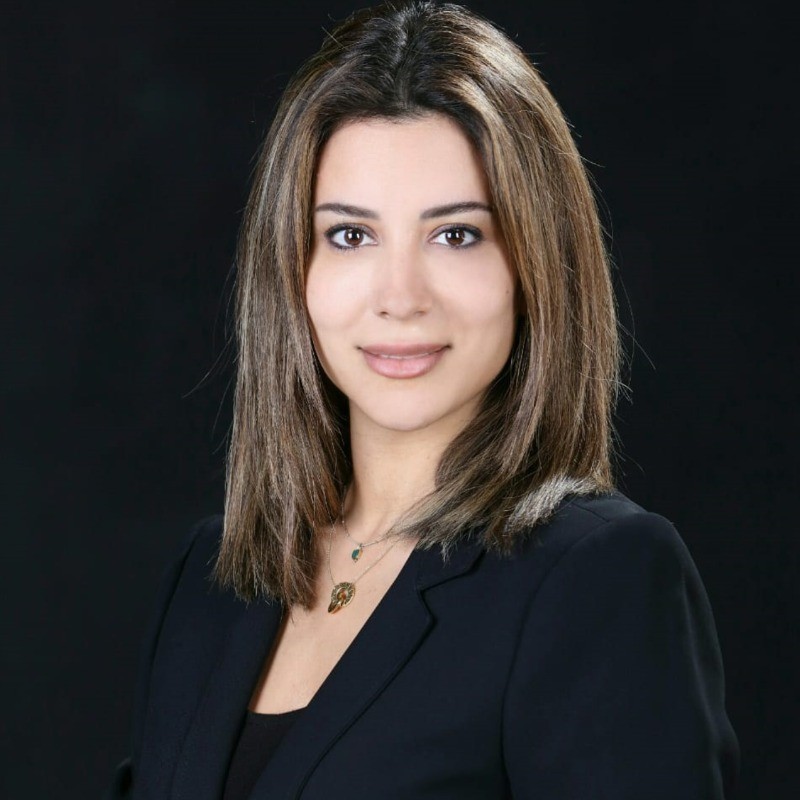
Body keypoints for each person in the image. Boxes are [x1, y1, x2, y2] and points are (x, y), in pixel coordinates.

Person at [106, 2, 739, 798]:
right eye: (350, 235)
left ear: (535, 265)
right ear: (291, 269)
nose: (400, 297)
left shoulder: (597, 577)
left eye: (456, 234)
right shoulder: (213, 576)